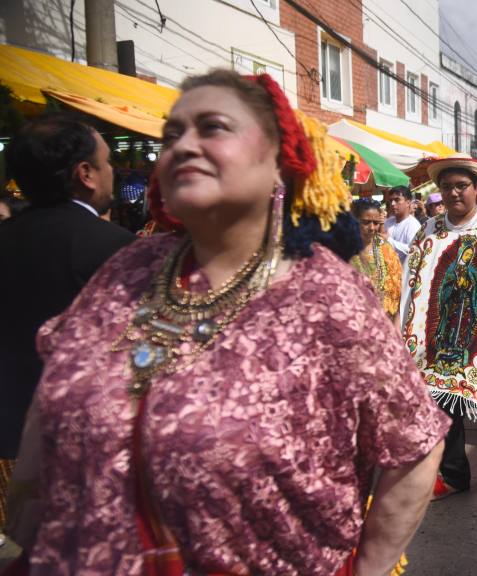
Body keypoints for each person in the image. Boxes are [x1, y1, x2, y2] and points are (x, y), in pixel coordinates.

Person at [8, 71, 448, 574]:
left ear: (278, 163)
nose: (183, 146)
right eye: (172, 135)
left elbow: (414, 445)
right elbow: (52, 409)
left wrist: (364, 568)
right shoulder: (127, 269)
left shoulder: (326, 296)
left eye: (213, 127)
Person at [0, 114, 137, 501]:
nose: (114, 172)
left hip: (10, 442)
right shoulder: (115, 248)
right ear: (86, 174)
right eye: (108, 161)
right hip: (86, 450)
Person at [400, 153, 477, 500]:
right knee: (443, 405)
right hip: (438, 336)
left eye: (461, 186)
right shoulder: (429, 229)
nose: (454, 193)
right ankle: (455, 475)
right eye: (446, 187)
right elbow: (414, 281)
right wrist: (406, 327)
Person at [349, 198, 403, 323]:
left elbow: (398, 289)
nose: (372, 228)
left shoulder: (386, 248)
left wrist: (395, 325)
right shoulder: (344, 250)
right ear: (354, 221)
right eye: (366, 222)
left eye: (376, 222)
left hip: (384, 322)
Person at [384, 185, 421, 262]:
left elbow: (412, 250)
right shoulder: (388, 222)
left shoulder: (413, 224)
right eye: (391, 201)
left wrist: (389, 240)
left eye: (397, 200)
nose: (393, 204)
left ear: (408, 202)